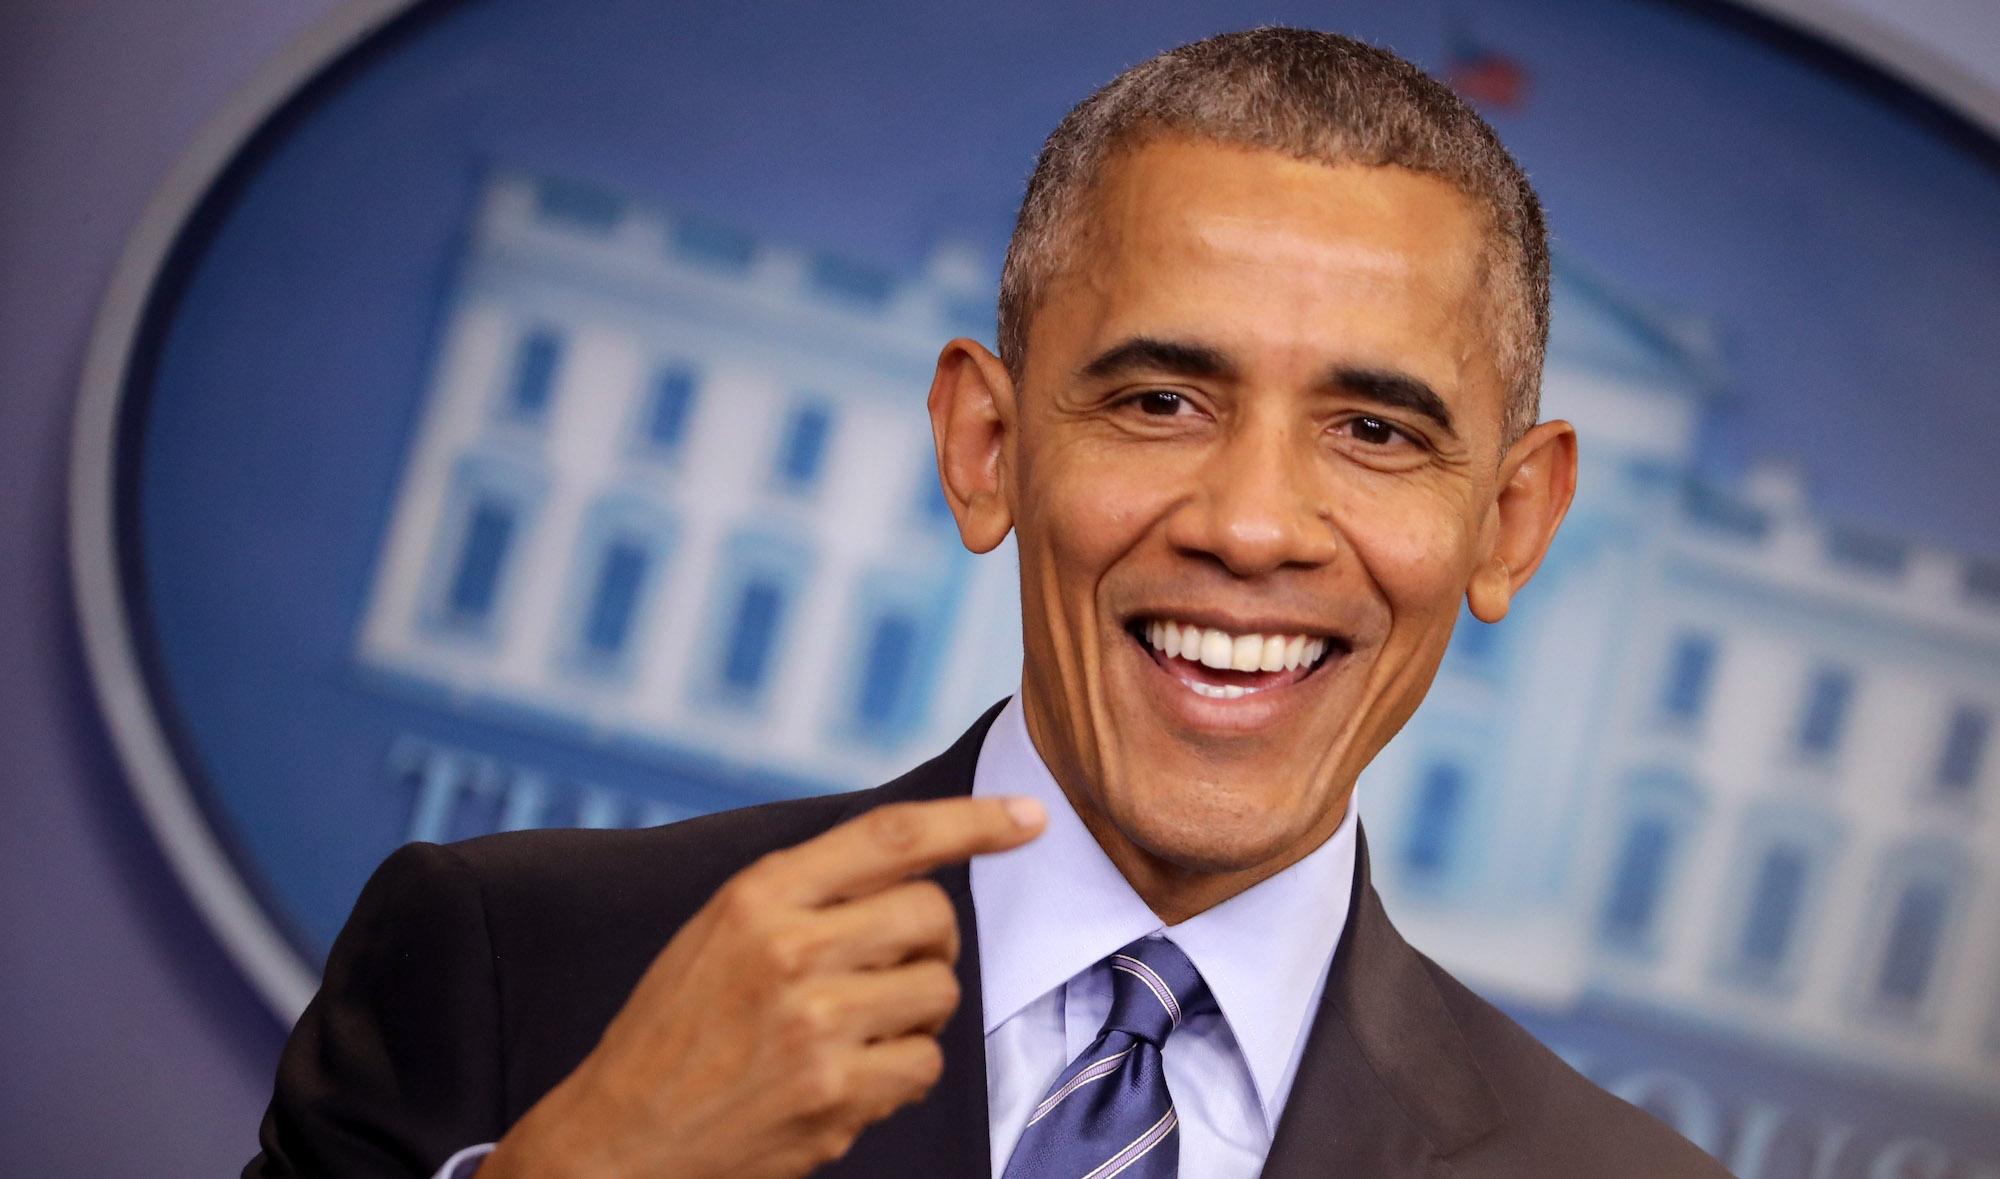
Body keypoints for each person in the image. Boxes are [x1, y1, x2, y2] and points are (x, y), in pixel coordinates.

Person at [248, 27, 1730, 1178]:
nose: (1254, 525)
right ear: (986, 447)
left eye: (1377, 433)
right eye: (1160, 399)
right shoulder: (515, 973)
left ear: (1513, 522)